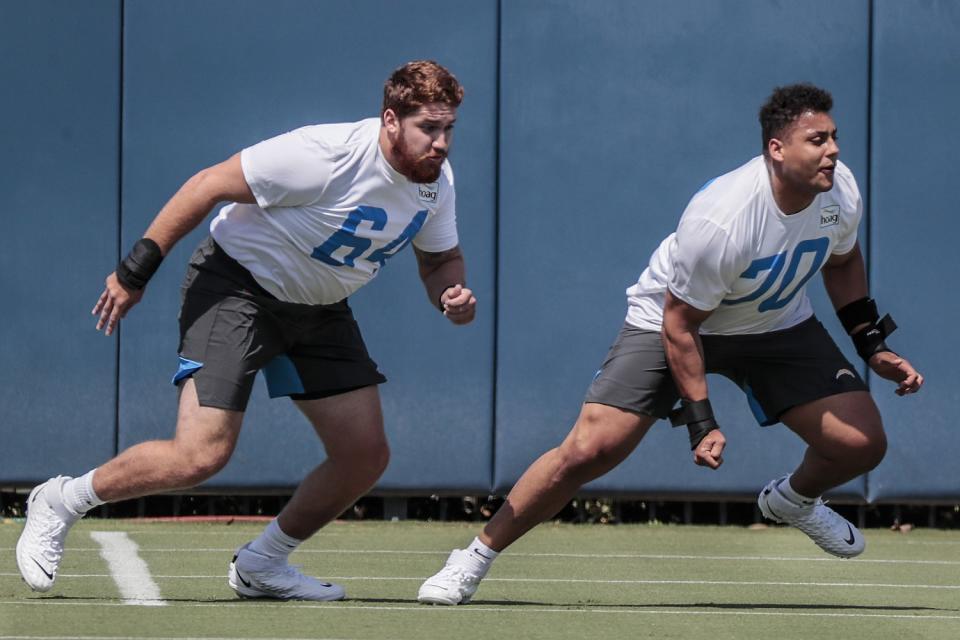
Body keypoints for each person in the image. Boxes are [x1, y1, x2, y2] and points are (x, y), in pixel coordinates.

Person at [417, 83, 923, 605]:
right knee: (591, 449)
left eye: (834, 137)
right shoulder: (722, 220)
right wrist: (701, 423)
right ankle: (473, 557)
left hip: (774, 324)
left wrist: (871, 344)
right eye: (817, 140)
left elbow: (842, 262)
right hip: (674, 321)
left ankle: (794, 500)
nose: (833, 150)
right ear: (777, 149)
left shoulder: (838, 189)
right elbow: (680, 326)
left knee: (862, 443)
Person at [16, 60, 476, 601]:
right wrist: (135, 269)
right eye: (430, 128)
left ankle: (262, 564)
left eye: (449, 129)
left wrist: (450, 293)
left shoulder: (435, 182)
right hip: (237, 287)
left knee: (364, 455)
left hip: (319, 308)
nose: (442, 143)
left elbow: (439, 259)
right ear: (391, 120)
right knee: (200, 455)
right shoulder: (323, 155)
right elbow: (207, 185)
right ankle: (62, 499)